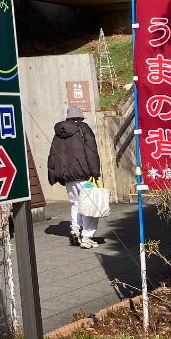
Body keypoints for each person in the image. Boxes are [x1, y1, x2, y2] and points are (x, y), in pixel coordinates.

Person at [47, 105, 101, 249]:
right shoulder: (83, 129)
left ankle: (75, 229)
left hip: (68, 178)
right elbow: (91, 152)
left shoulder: (58, 133)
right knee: (90, 206)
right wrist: (95, 173)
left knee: (75, 203)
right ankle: (87, 237)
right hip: (85, 177)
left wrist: (53, 175)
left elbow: (53, 154)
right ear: (80, 117)